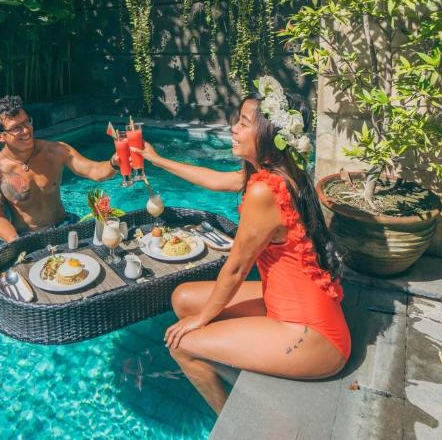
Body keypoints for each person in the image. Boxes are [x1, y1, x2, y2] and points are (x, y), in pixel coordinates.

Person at [130, 77, 350, 414]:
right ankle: (240, 364)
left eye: (243, 123)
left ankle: (235, 423)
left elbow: (234, 270)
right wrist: (157, 160)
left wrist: (202, 319)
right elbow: (216, 179)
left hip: (314, 336)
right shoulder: (278, 172)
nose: (233, 128)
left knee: (182, 343)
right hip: (285, 305)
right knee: (181, 298)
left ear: (267, 135)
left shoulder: (265, 192)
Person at [0, 95, 120, 246]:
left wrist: (114, 163)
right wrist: (15, 241)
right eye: (16, 128)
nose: (26, 130)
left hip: (65, 225)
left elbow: (95, 171)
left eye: (27, 122)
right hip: (25, 236)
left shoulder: (56, 151)